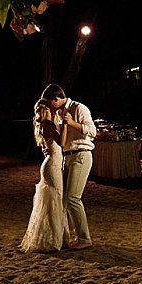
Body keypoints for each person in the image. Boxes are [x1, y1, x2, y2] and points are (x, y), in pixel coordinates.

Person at [43, 83, 96, 250]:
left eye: (48, 102)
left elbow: (92, 131)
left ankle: (84, 238)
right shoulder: (57, 113)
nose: (47, 106)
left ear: (56, 99)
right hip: (68, 157)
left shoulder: (79, 108)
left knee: (73, 197)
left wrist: (72, 123)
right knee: (64, 199)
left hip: (81, 154)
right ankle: (67, 236)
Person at [20, 96, 73, 253]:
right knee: (56, 200)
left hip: (52, 164)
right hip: (52, 165)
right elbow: (62, 143)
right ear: (46, 110)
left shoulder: (44, 125)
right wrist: (65, 125)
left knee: (55, 200)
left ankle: (58, 237)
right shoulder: (48, 124)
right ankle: (54, 239)